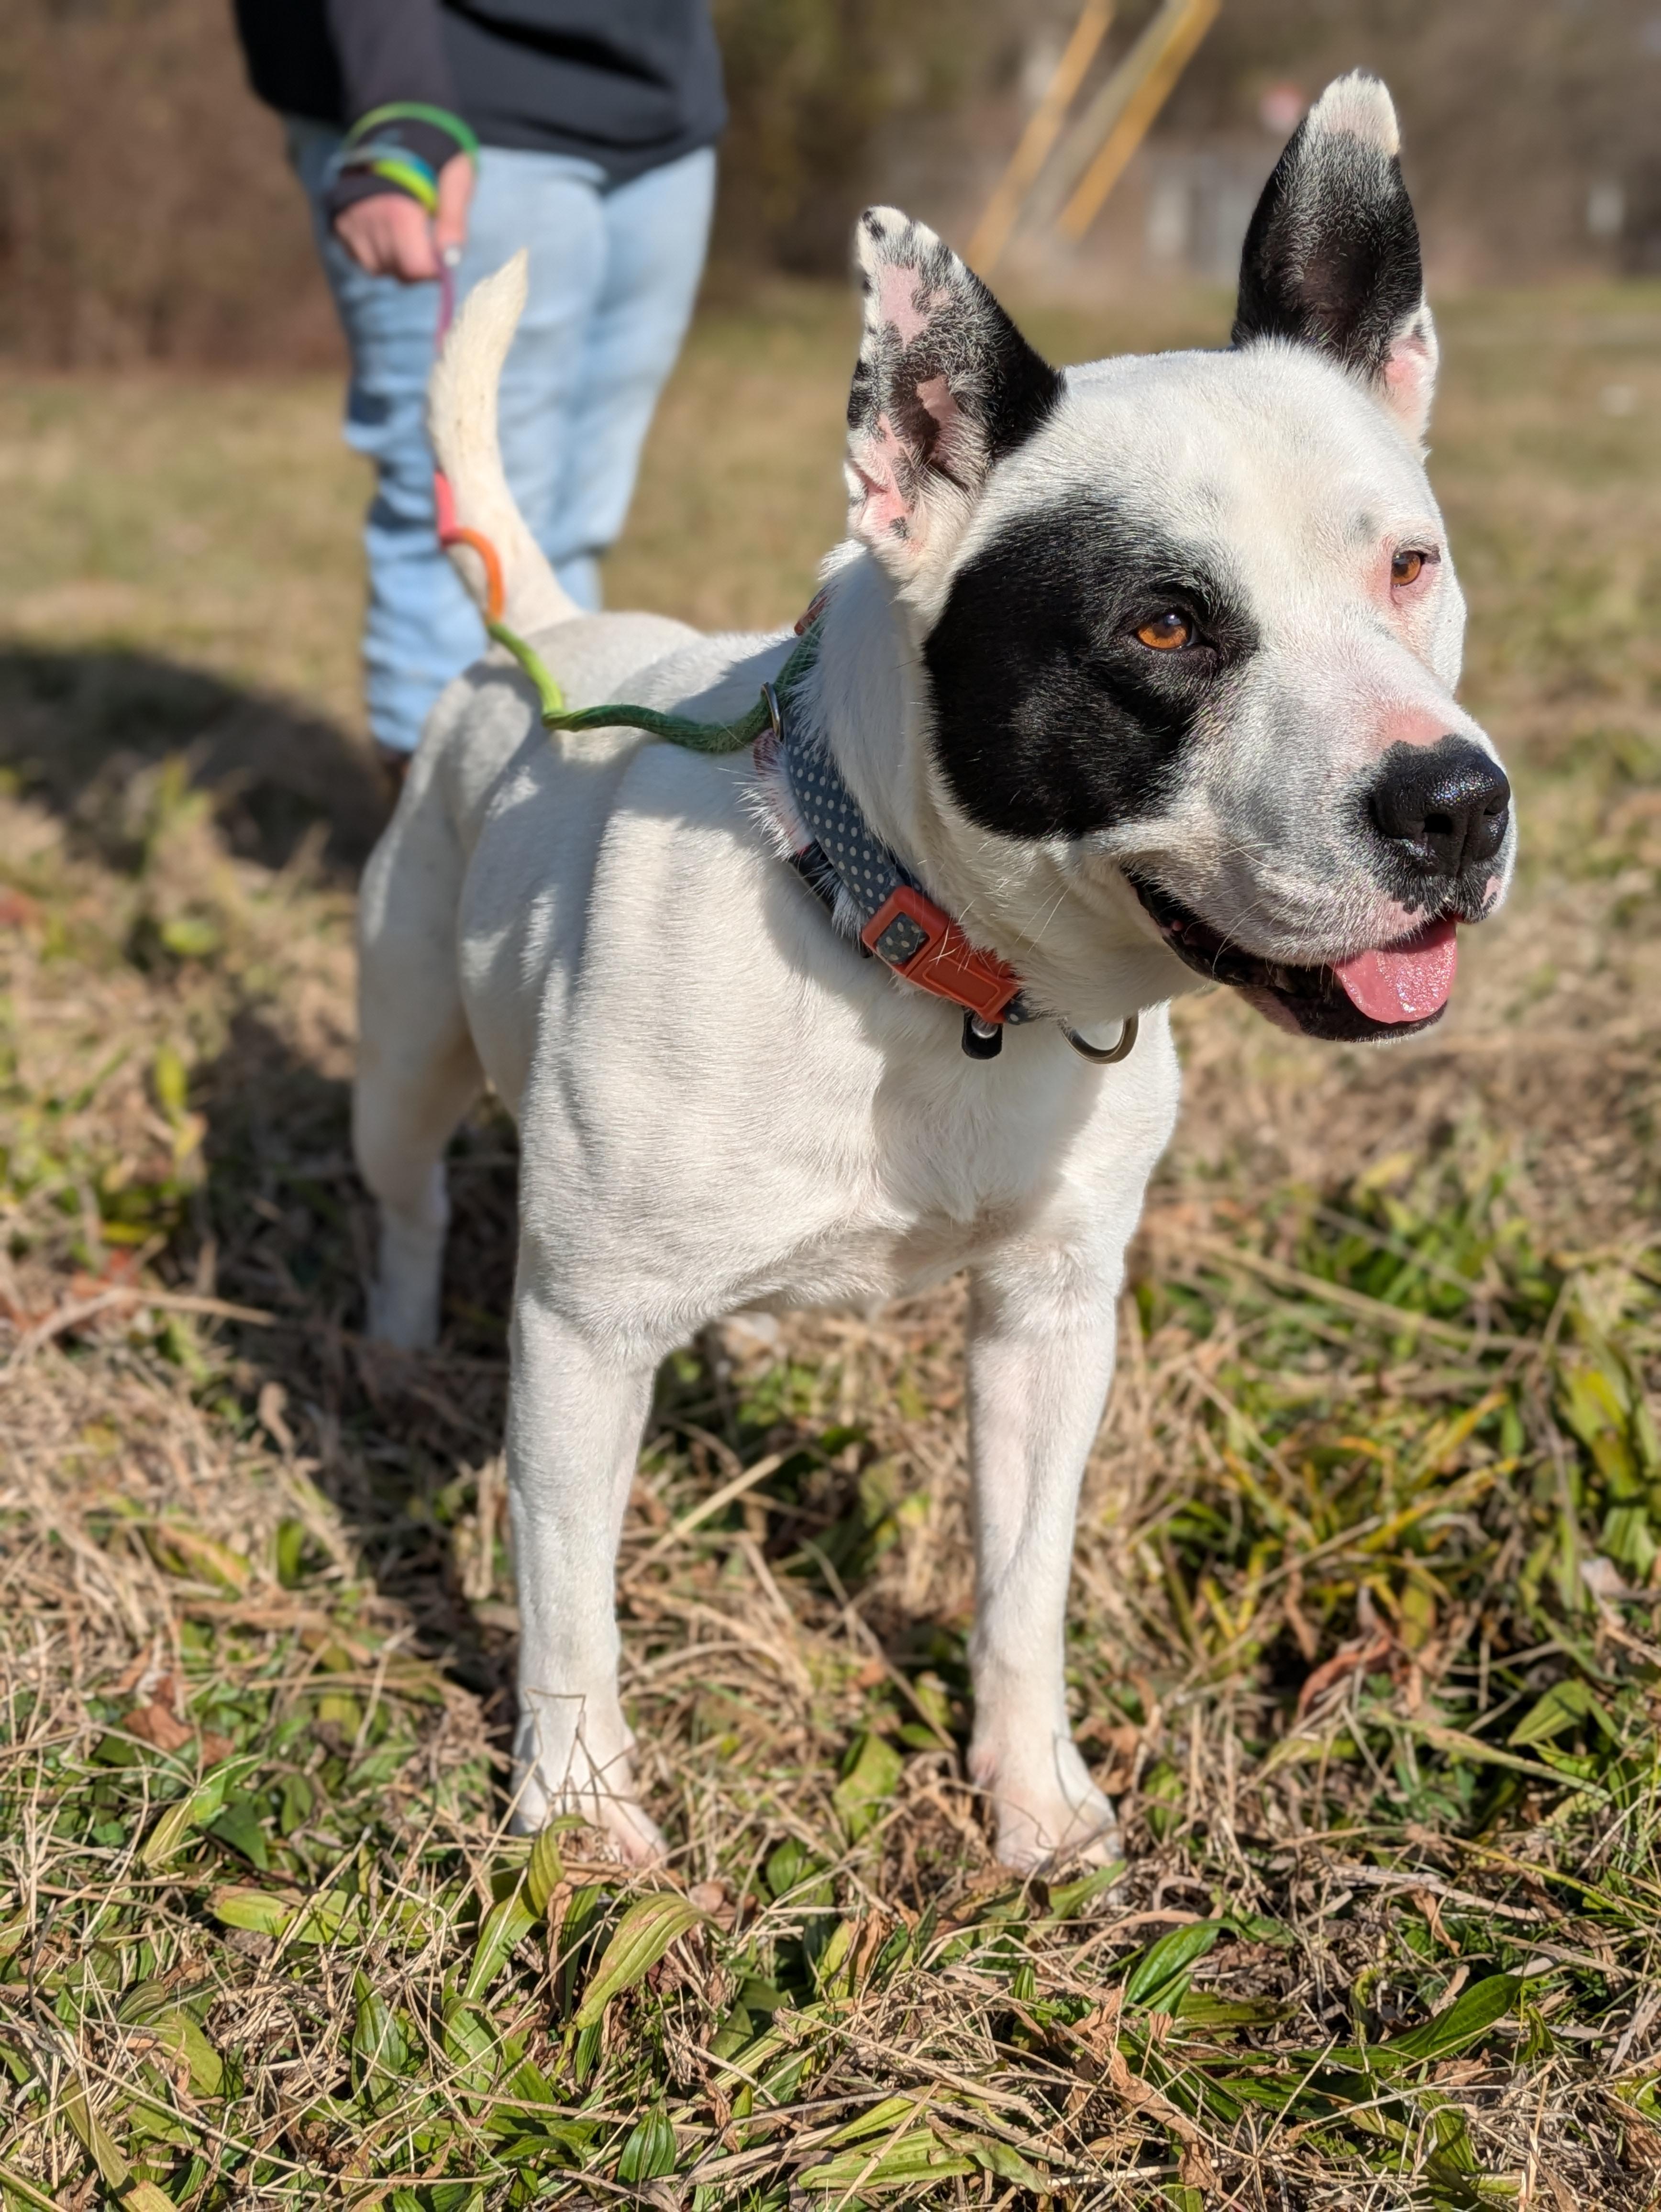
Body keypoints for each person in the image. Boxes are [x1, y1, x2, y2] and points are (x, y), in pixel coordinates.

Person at [231, 2, 725, 768]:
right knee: (464, 539)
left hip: (658, 111)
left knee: (570, 529)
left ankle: (544, 828)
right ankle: (430, 871)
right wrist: (398, 104)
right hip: (454, 104)